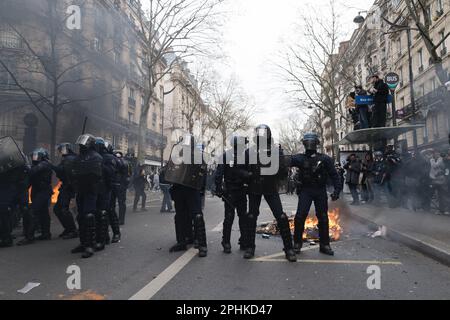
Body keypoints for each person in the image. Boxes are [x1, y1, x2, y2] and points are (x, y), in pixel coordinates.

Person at [244, 124, 297, 262]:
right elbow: (241, 169)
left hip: (270, 187)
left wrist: (278, 163)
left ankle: (289, 248)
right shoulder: (249, 152)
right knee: (251, 216)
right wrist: (248, 175)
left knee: (281, 216)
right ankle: (250, 247)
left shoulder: (275, 150)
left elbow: (283, 171)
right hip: (254, 187)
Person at [291, 133, 341, 256]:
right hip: (306, 190)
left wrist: (337, 190)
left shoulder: (325, 159)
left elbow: (335, 175)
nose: (310, 145)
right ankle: (297, 243)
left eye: (312, 142)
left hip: (319, 190)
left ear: (316, 143)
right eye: (308, 142)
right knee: (299, 217)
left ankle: (324, 245)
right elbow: (285, 161)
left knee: (323, 217)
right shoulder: (299, 158)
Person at [167, 135, 208, 258]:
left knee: (197, 216)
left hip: (191, 189)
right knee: (180, 216)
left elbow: (203, 172)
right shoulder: (177, 154)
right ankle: (182, 241)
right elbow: (169, 169)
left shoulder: (197, 155)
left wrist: (201, 189)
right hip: (179, 188)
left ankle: (202, 245)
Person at [215, 135, 250, 254]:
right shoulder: (245, 155)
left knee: (229, 218)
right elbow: (251, 172)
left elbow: (219, 174)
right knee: (243, 217)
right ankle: (244, 242)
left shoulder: (225, 155)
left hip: (230, 191)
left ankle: (226, 243)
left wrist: (218, 189)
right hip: (241, 190)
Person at [72, 134, 103, 259]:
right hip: (81, 190)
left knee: (89, 216)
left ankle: (90, 245)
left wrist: (80, 174)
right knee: (80, 217)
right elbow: (73, 170)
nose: (81, 145)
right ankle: (83, 242)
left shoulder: (96, 157)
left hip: (91, 190)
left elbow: (95, 175)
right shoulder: (79, 157)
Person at [18, 148, 53, 245]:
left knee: (32, 212)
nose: (34, 157)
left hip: (43, 191)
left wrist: (26, 166)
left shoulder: (44, 164)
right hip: (37, 191)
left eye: (36, 155)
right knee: (43, 212)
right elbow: (30, 179)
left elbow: (33, 171)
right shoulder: (36, 165)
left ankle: (29, 237)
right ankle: (46, 233)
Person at [0, 137, 28, 248]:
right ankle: (5, 236)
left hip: (9, 190)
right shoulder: (5, 160)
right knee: (5, 214)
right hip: (6, 190)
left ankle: (6, 238)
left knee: (5, 213)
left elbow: (18, 177)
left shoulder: (15, 162)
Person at [52, 143, 79, 240]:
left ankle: (72, 230)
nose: (60, 151)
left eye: (62, 149)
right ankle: (68, 228)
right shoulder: (67, 158)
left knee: (63, 209)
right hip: (65, 187)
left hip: (69, 187)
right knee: (57, 209)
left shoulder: (70, 159)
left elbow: (63, 171)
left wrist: (51, 165)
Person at [111, 151, 130, 225]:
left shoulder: (115, 161)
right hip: (122, 185)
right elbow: (128, 175)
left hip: (116, 184)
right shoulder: (126, 163)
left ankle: (114, 219)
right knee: (121, 202)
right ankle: (121, 220)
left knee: (112, 203)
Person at [429, 150, 447, 214]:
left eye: (438, 153)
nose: (437, 154)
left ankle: (442, 209)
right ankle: (439, 209)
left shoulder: (440, 160)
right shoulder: (434, 160)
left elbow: (434, 166)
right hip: (434, 179)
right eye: (435, 153)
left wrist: (431, 159)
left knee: (441, 195)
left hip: (441, 180)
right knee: (436, 195)